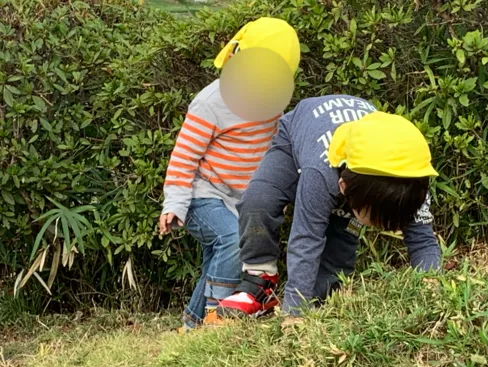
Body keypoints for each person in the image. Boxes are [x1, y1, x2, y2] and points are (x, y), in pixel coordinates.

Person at [217, 95, 441, 319]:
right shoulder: (320, 173)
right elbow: (306, 238)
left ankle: (321, 300)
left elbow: (423, 241)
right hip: (297, 136)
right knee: (259, 201)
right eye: (375, 219)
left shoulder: (412, 180)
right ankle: (260, 280)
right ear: (343, 187)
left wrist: (431, 288)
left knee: (339, 249)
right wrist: (294, 314)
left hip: (365, 164)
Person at [158, 17, 300, 331]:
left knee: (219, 258)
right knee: (234, 241)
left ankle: (191, 327)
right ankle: (216, 319)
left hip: (238, 202)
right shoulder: (211, 103)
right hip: (201, 196)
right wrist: (174, 205)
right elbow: (184, 159)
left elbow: (274, 152)